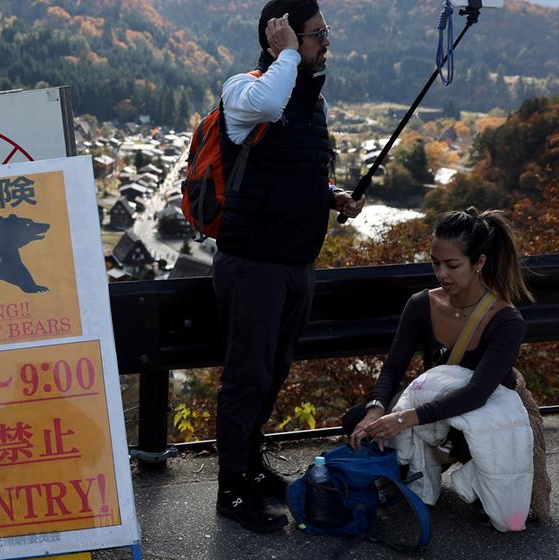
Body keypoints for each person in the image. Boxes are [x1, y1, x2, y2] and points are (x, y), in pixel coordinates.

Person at [212, 0, 365, 534]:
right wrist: (284, 55)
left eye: (327, 31)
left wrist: (333, 195)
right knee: (246, 378)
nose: (327, 42)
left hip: (295, 264)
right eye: (317, 33)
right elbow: (270, 106)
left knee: (272, 373)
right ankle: (230, 488)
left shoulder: (308, 102)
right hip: (253, 264)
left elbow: (292, 170)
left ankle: (252, 470)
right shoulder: (245, 89)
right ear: (281, 36)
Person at [345, 208, 537, 530]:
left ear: (479, 263)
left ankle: (449, 465)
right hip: (433, 414)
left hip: (476, 416)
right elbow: (394, 366)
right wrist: (377, 410)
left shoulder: (505, 320)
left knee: (471, 444)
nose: (442, 274)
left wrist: (403, 419)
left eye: (452, 265)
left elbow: (477, 393)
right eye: (435, 263)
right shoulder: (422, 304)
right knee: (357, 422)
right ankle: (413, 465)